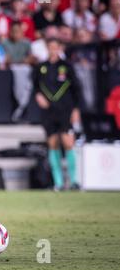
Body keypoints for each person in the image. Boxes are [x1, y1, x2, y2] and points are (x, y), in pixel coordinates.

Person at [32, 38, 81, 191]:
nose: (53, 50)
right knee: (52, 143)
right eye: (50, 47)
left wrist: (76, 109)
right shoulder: (41, 67)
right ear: (47, 48)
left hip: (65, 109)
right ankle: (58, 183)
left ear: (60, 48)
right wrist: (38, 96)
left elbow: (77, 89)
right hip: (48, 111)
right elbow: (35, 87)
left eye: (55, 47)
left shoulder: (67, 67)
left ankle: (74, 181)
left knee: (67, 142)